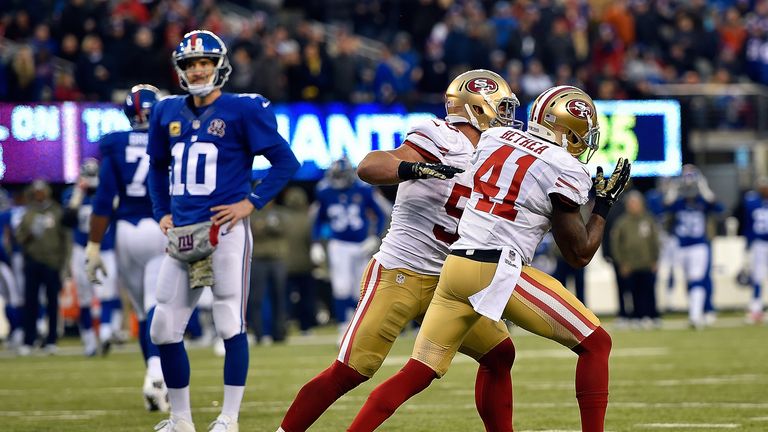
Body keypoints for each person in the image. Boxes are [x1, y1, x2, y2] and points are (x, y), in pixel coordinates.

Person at [346, 85, 632, 432]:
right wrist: (602, 207)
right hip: (498, 268)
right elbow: (579, 253)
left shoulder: (496, 138)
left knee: (419, 370)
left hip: (455, 266)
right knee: (597, 344)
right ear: (568, 130)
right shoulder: (565, 167)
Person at [279, 69, 518, 432]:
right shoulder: (440, 134)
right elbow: (371, 166)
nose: (507, 115)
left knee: (500, 355)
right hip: (400, 271)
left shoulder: (499, 150)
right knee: (350, 371)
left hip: (451, 282)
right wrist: (416, 168)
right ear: (476, 107)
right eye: (501, 106)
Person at [146, 30, 300, 432]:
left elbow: (286, 161)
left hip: (225, 229)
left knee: (229, 321)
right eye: (190, 64)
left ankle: (228, 419)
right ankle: (180, 420)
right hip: (181, 232)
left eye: (204, 63)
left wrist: (251, 202)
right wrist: (162, 211)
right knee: (163, 328)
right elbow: (157, 168)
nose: (198, 70)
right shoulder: (166, 112)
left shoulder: (243, 109)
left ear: (220, 66)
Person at [85, 84, 170, 411]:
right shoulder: (169, 139)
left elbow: (104, 199)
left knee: (141, 310)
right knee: (155, 308)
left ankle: (154, 376)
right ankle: (155, 376)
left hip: (124, 232)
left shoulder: (116, 143)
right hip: (158, 226)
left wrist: (94, 245)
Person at [309, 157, 386, 341]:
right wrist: (316, 242)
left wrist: (374, 237)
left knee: (359, 289)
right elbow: (319, 220)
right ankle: (343, 329)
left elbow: (381, 214)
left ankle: (357, 326)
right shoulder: (325, 191)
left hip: (361, 244)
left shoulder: (363, 189)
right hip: (339, 244)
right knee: (341, 287)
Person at [62, 158, 121, 357]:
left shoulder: (107, 193)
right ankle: (88, 340)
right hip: (81, 249)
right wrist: (78, 196)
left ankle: (105, 333)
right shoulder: (72, 194)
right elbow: (67, 221)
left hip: (105, 248)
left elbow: (117, 214)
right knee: (85, 297)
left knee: (107, 292)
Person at [664, 164, 724, 329]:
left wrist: (703, 186)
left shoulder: (702, 202)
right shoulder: (680, 203)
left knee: (697, 279)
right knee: (690, 281)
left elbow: (719, 207)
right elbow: (665, 205)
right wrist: (674, 187)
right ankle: (695, 312)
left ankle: (695, 316)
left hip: (698, 246)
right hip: (682, 246)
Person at [15, 180, 71, 355]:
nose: (39, 194)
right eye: (36, 191)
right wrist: (30, 234)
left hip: (52, 262)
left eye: (41, 191)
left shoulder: (56, 211)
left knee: (52, 303)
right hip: (32, 261)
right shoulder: (28, 212)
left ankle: (51, 340)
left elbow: (65, 240)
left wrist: (65, 263)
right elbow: (19, 237)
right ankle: (28, 340)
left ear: (46, 192)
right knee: (30, 303)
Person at [611, 190, 661, 327]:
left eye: (635, 203)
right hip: (630, 264)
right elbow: (616, 244)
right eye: (631, 203)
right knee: (632, 292)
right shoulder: (622, 222)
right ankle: (636, 316)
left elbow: (654, 241)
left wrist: (655, 259)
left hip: (646, 262)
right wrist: (621, 262)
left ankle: (652, 315)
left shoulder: (648, 219)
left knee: (649, 290)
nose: (633, 206)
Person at [741, 176, 768, 324]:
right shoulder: (752, 201)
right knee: (757, 277)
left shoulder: (752, 201)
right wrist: (748, 243)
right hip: (759, 244)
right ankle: (756, 309)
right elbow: (748, 225)